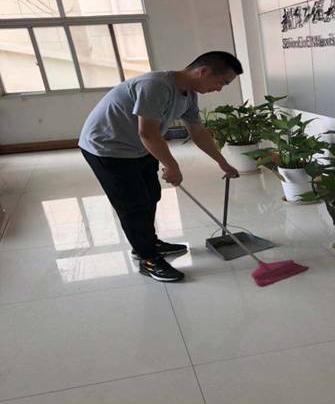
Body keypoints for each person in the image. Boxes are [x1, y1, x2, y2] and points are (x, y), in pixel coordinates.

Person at [79, 51, 242, 282]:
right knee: (133, 205)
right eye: (221, 82)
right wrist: (171, 165)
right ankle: (147, 258)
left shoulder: (189, 95)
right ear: (203, 71)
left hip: (139, 146)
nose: (219, 89)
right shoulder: (155, 86)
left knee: (151, 195)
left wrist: (222, 162)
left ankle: (149, 242)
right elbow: (147, 132)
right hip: (107, 147)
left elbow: (198, 132)